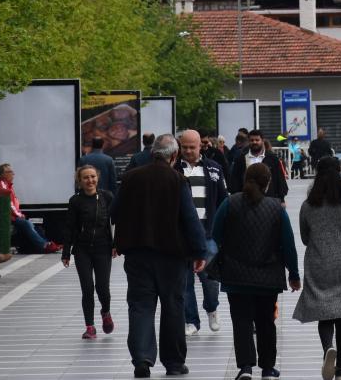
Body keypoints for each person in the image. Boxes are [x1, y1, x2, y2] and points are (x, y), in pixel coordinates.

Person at [115, 134, 208, 378]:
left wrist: (118, 242)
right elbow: (190, 219)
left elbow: (115, 211)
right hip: (171, 256)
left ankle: (142, 360)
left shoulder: (130, 178)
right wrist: (200, 251)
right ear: (174, 156)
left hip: (137, 254)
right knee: (173, 306)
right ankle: (174, 363)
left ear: (152, 153)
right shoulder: (177, 180)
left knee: (140, 306)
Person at [211, 163, 301, 380]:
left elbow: (215, 237)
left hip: (235, 276)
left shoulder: (229, 203)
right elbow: (287, 243)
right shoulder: (276, 209)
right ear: (267, 182)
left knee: (241, 321)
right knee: (266, 322)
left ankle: (245, 368)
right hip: (267, 277)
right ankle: (268, 368)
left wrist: (207, 264)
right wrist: (294, 274)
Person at [292, 157, 341, 380]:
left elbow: (305, 238)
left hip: (318, 263)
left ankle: (327, 349)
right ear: (339, 171)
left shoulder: (308, 205)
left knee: (325, 313)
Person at [174, 129, 229, 336]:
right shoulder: (174, 169)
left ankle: (212, 308)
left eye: (192, 147)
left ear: (200, 146)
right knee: (185, 280)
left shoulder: (214, 169)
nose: (188, 151)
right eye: (184, 147)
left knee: (210, 279)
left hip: (208, 232)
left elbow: (224, 200)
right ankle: (191, 320)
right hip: (182, 235)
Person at [62, 165, 116, 340]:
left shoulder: (107, 197)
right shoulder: (75, 201)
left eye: (93, 176)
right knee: (87, 289)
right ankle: (90, 326)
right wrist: (66, 252)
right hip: (82, 250)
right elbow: (69, 227)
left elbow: (116, 222)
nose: (90, 180)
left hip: (103, 248)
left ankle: (105, 312)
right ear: (80, 181)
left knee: (103, 288)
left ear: (97, 178)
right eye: (85, 177)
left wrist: (117, 244)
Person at [0, 163, 61, 254]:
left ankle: (47, 243)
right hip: (8, 218)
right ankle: (43, 246)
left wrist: (19, 215)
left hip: (12, 217)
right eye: (10, 172)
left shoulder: (8, 185)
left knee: (32, 225)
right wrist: (19, 215)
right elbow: (9, 204)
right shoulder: (2, 185)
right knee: (26, 223)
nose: (13, 174)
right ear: (2, 174)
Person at [229, 130, 289, 202]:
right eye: (252, 140)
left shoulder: (272, 159)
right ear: (248, 141)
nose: (254, 142)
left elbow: (280, 180)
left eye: (257, 140)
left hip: (269, 200)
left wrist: (282, 200)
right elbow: (235, 181)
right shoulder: (241, 159)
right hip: (246, 201)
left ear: (262, 141)